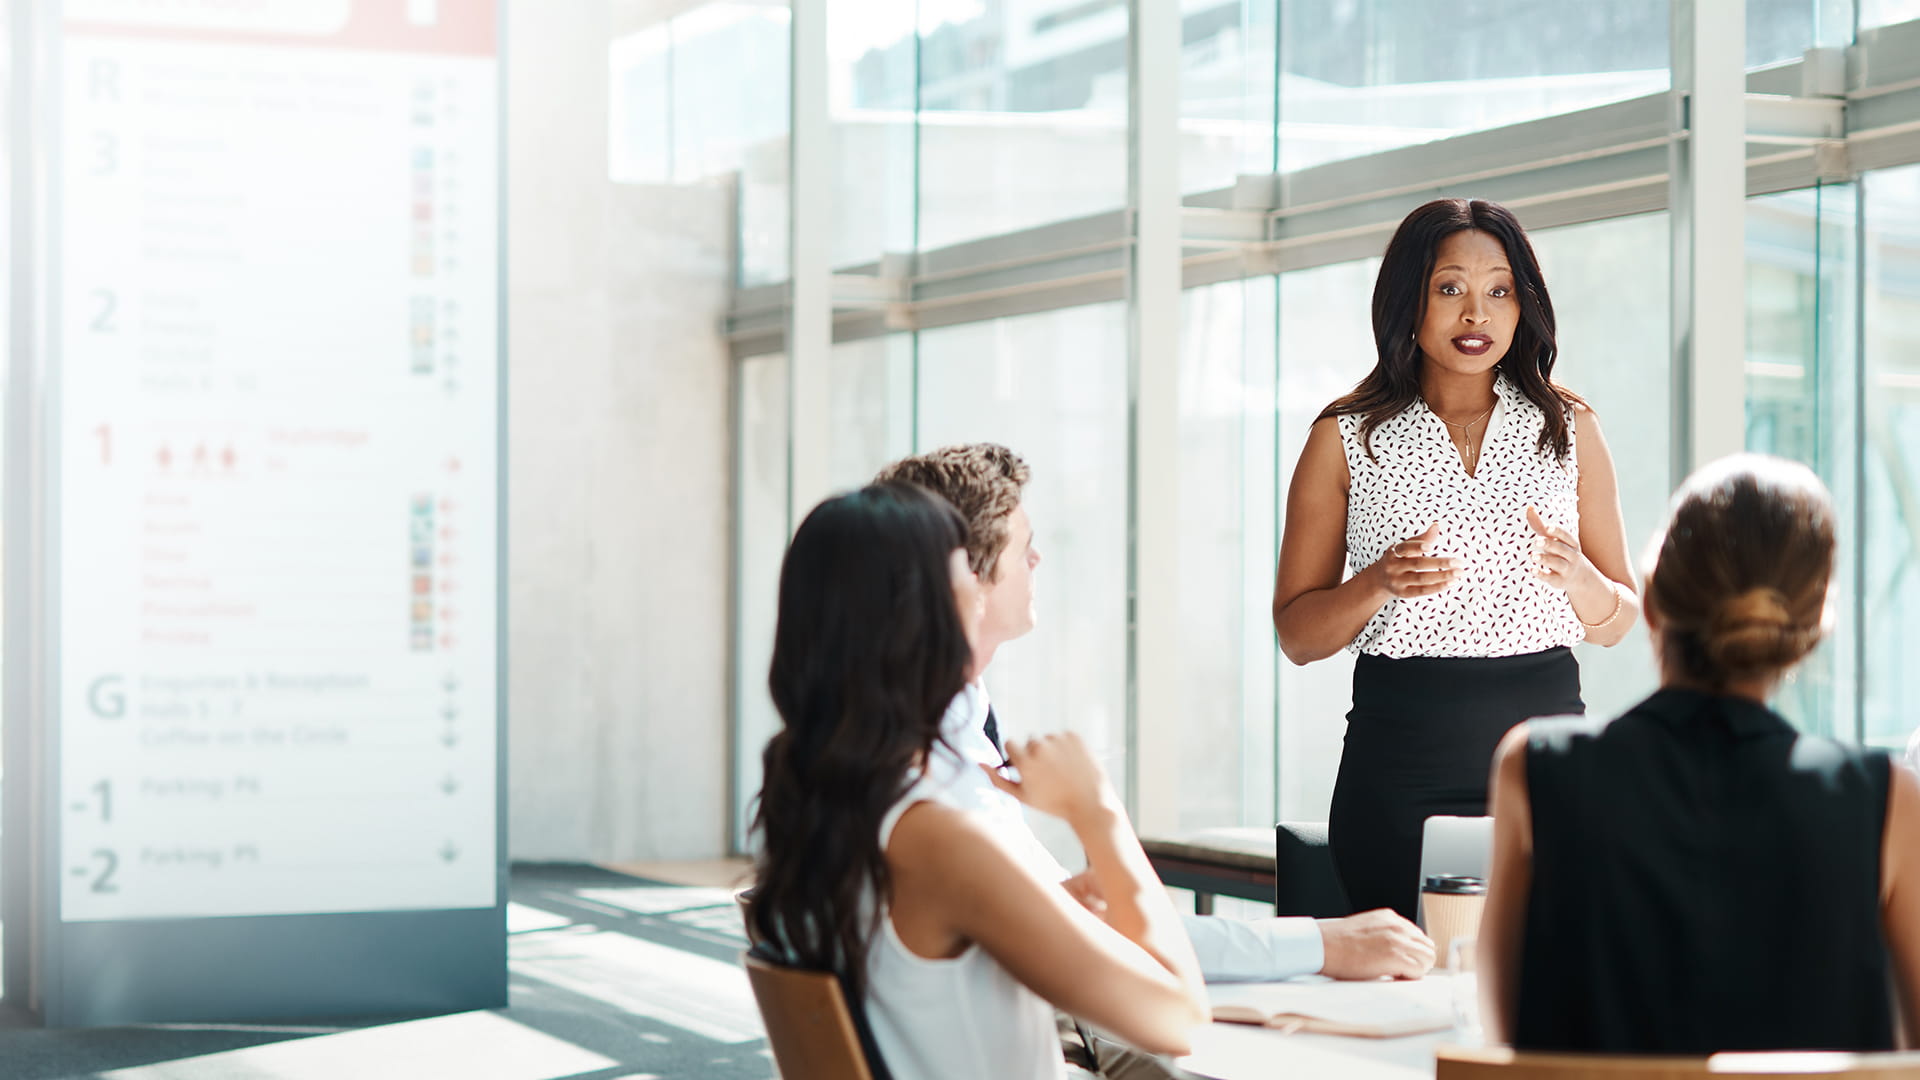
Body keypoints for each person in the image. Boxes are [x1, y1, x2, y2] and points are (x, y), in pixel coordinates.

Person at [877, 444, 1433, 1076]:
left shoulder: (901, 767)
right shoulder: (939, 802)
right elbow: (1172, 1008)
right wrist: (1098, 813)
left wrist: (1071, 903)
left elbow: (1075, 934)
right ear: (965, 578)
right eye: (1019, 544)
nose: (1037, 558)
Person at [750, 482, 1208, 1080]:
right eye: (965, 569)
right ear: (924, 616)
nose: (979, 589)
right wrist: (1098, 811)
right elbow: (1181, 1022)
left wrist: (1032, 906)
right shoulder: (935, 836)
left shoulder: (822, 799)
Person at [1270, 197, 1640, 921]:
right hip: (1400, 770)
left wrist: (1581, 580)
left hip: (1546, 770)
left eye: (1499, 291)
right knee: (1412, 981)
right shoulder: (1345, 436)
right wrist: (1376, 583)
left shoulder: (1570, 428)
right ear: (1408, 300)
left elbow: (1618, 619)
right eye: (1451, 289)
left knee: (1541, 988)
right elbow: (1297, 635)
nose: (1478, 314)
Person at [1477, 454, 1920, 1053]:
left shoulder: (1534, 765)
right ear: (1814, 624)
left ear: (1652, 602)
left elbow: (1507, 1045)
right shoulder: (1885, 799)